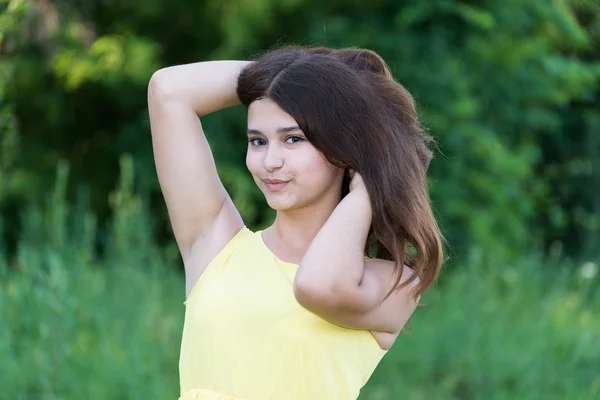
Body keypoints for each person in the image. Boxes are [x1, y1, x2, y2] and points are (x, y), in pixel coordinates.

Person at [147, 45, 444, 400]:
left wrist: (369, 186)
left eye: (293, 139)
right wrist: (292, 74)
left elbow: (315, 286)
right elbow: (168, 90)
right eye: (258, 141)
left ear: (342, 149)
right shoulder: (214, 244)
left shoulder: (393, 283)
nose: (270, 160)